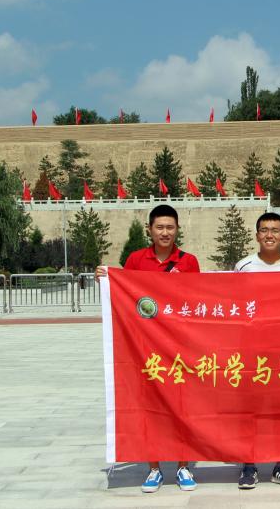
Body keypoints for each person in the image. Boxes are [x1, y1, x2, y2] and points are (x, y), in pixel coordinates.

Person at [95, 204, 201, 493]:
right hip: (146, 348)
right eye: (160, 227)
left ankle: (183, 466)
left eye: (170, 227)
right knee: (151, 408)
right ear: (150, 230)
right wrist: (106, 278)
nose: (165, 232)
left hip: (179, 346)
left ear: (177, 230)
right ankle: (154, 468)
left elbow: (197, 299)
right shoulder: (136, 259)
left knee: (181, 408)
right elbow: (124, 291)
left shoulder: (189, 262)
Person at [232, 212, 280, 490]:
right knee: (250, 408)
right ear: (256, 235)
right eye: (264, 230)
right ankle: (248, 464)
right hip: (251, 349)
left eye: (274, 230)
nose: (269, 235)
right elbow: (233, 304)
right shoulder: (244, 266)